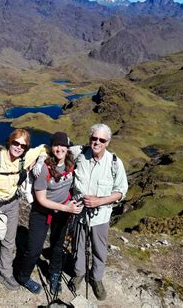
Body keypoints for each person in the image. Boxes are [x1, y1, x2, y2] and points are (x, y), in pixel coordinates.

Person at [0, 129, 47, 307]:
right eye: (16, 143)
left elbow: (44, 147)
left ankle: (6, 273)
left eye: (23, 145)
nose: (19, 147)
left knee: (8, 242)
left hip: (12, 205)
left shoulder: (24, 157)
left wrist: (41, 160)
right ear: (9, 142)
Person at [16, 132, 83, 295]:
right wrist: (67, 208)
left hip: (62, 212)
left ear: (67, 147)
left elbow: (86, 149)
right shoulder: (44, 167)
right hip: (42, 212)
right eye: (56, 145)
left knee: (58, 246)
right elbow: (41, 200)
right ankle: (23, 276)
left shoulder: (72, 162)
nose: (59, 148)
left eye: (63, 145)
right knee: (34, 249)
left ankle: (54, 274)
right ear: (51, 147)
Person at [69, 124, 128, 301]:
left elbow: (121, 191)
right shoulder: (79, 154)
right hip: (79, 213)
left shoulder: (115, 163)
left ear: (107, 142)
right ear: (89, 139)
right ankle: (79, 273)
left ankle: (96, 278)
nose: (97, 142)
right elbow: (57, 150)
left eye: (102, 140)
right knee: (78, 246)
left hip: (101, 216)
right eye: (94, 138)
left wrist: (99, 201)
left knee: (99, 249)